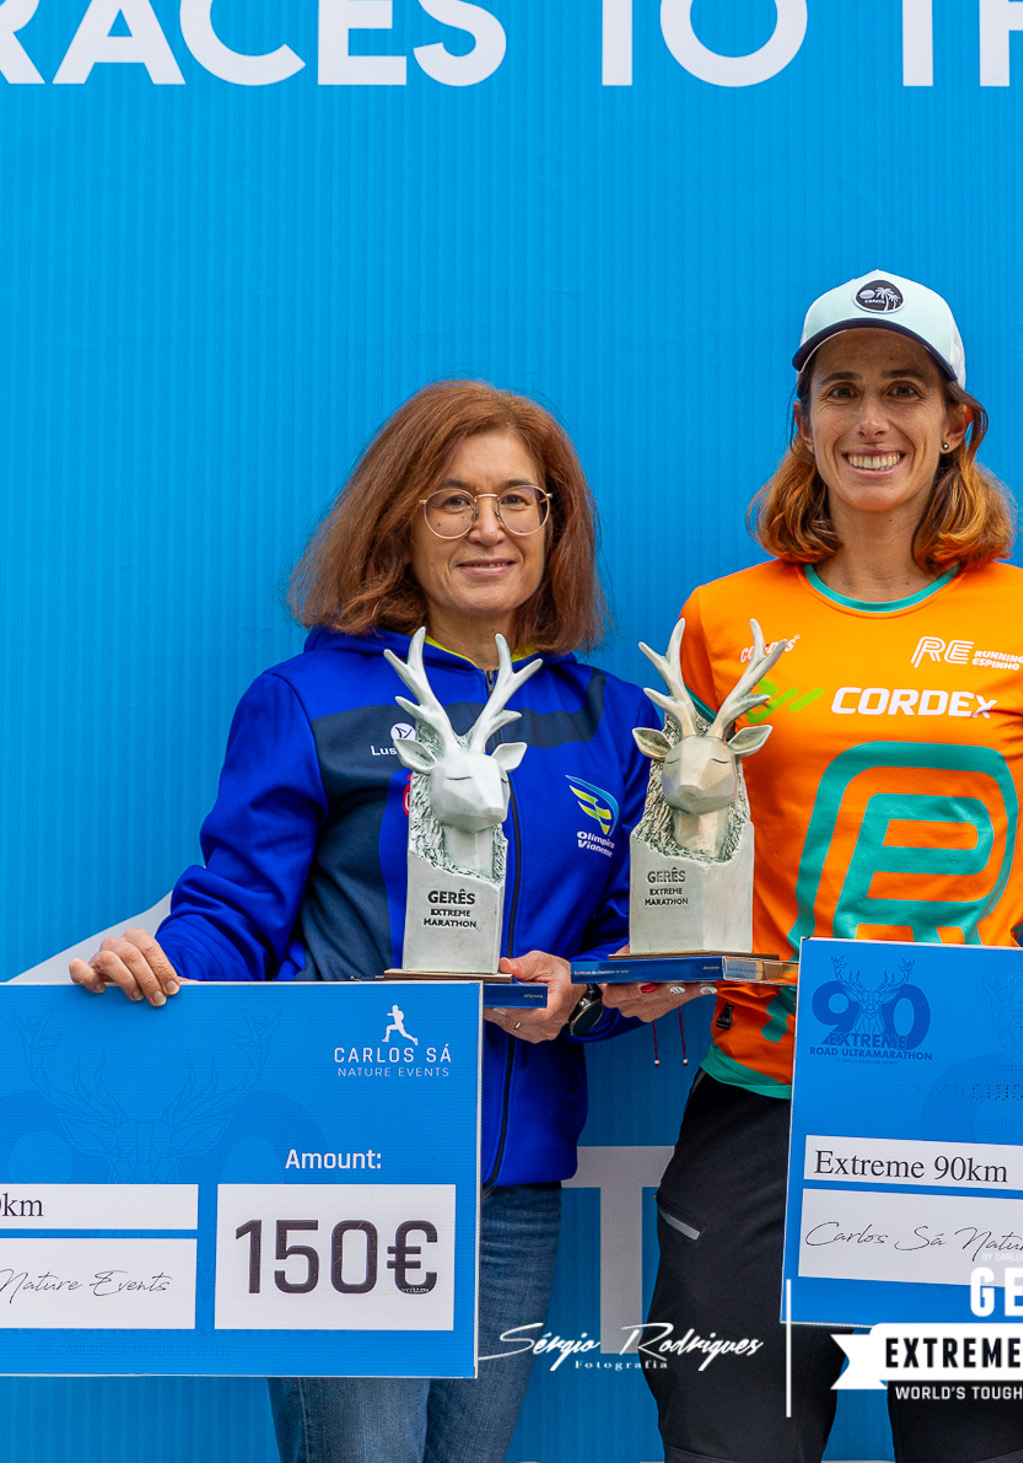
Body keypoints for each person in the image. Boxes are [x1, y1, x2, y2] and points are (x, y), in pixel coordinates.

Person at [611, 269, 1023, 1463]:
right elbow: (679, 869)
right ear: (804, 422)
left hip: (969, 1111)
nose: (870, 420)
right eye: (842, 390)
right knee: (729, 1445)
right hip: (764, 1098)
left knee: (975, 1455)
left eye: (902, 390)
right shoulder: (723, 621)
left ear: (955, 423)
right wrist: (651, 960)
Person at [69, 380, 656, 1463]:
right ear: (400, 519)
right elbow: (236, 912)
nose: (489, 527)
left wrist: (582, 991)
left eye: (518, 500)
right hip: (341, 1165)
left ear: (554, 525)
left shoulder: (612, 719)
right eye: (451, 500)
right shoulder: (309, 697)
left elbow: (633, 942)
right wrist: (154, 960)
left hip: (513, 1185)